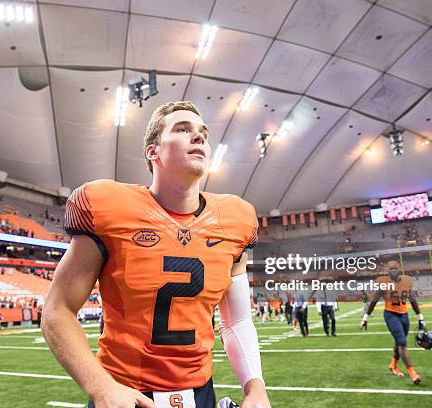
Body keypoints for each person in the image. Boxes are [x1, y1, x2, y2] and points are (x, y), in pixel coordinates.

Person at [42, 101, 270, 408]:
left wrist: (255, 388)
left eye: (202, 132)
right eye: (182, 129)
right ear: (153, 152)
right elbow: (57, 310)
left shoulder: (237, 219)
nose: (199, 136)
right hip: (124, 394)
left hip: (201, 393)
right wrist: (101, 387)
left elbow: (237, 321)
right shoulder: (108, 206)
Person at [360, 260, 425, 384]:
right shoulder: (383, 283)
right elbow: (373, 301)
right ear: (387, 270)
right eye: (391, 269)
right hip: (391, 315)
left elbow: (412, 299)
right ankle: (413, 373)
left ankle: (393, 365)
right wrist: (365, 317)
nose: (393, 271)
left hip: (404, 315)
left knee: (399, 342)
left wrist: (420, 316)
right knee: (402, 342)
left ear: (399, 269)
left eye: (395, 268)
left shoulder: (406, 281)